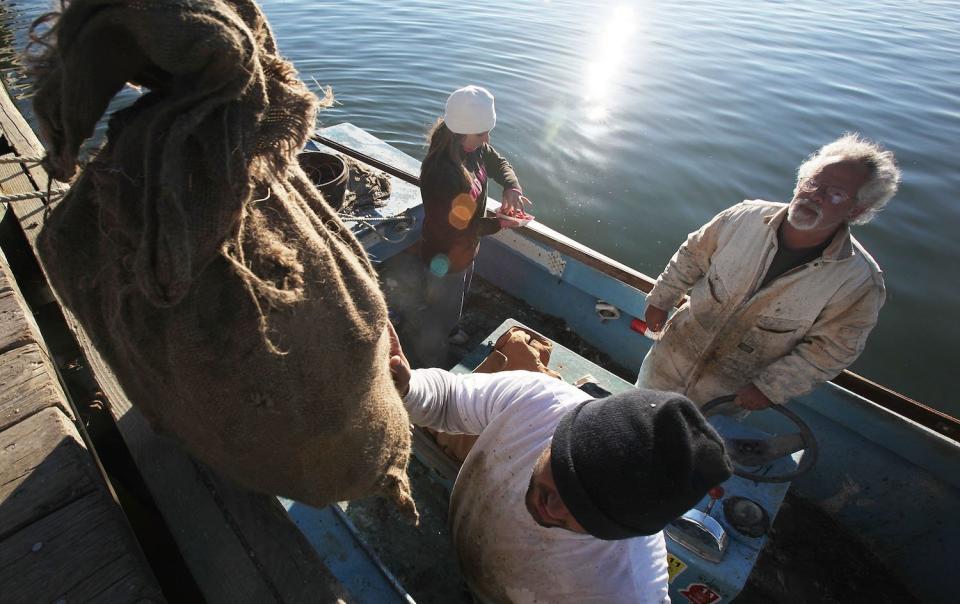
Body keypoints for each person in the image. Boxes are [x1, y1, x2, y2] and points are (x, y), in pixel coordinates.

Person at [387, 323, 732, 603]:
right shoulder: (541, 400)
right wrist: (408, 386)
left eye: (582, 513)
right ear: (564, 430)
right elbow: (449, 399)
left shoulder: (629, 591)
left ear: (619, 533)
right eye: (561, 473)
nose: (549, 506)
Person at [637, 133, 901, 410]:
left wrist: (771, 388)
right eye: (813, 183)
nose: (815, 196)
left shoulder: (858, 282)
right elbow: (692, 255)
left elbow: (832, 349)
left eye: (835, 194)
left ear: (857, 211)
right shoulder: (743, 217)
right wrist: (660, 299)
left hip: (729, 392)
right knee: (637, 415)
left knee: (692, 443)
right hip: (671, 357)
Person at [408, 85, 531, 366]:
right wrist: (500, 223)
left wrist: (511, 186)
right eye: (481, 133)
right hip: (445, 256)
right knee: (444, 306)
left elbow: (498, 161)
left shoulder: (472, 146)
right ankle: (432, 356)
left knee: (457, 296)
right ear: (462, 131)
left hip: (466, 251)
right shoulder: (441, 173)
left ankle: (448, 328)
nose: (487, 138)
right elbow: (458, 229)